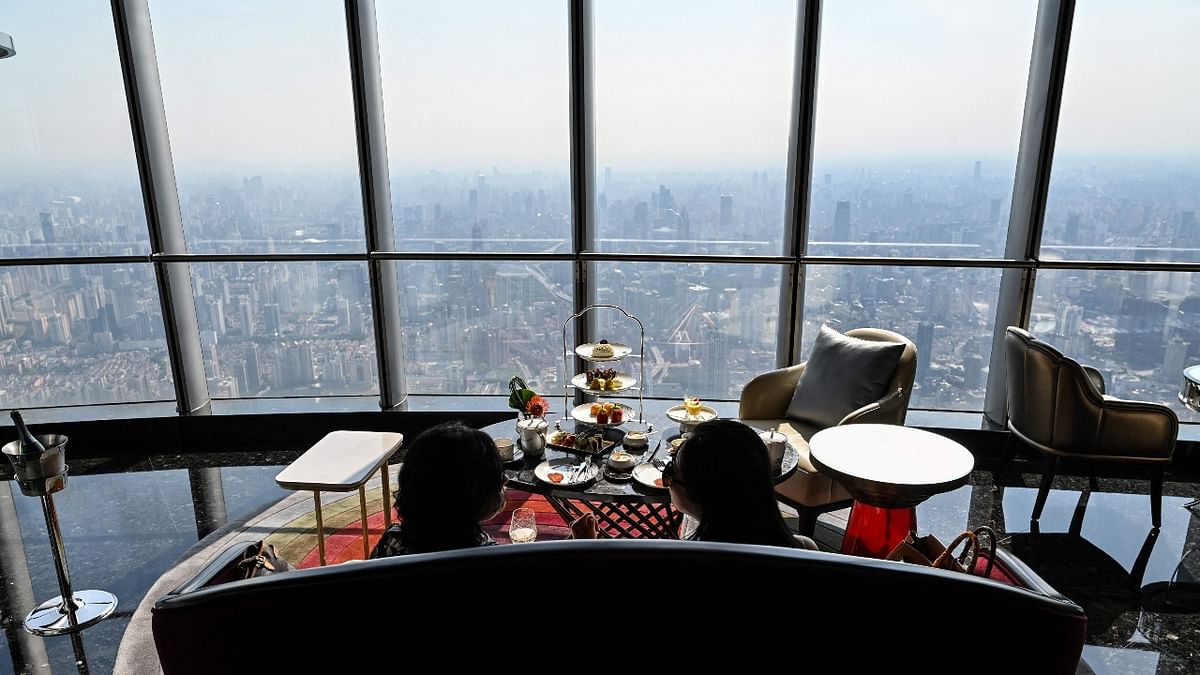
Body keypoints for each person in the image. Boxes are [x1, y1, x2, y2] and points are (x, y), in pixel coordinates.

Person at [661, 418, 818, 549]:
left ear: (699, 495)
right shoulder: (806, 549)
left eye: (671, 471)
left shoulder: (681, 560)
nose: (669, 481)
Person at [370, 421, 507, 557]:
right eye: (494, 476)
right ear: (472, 495)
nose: (505, 479)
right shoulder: (495, 559)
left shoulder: (391, 543)